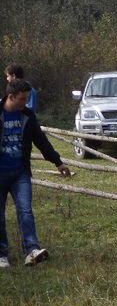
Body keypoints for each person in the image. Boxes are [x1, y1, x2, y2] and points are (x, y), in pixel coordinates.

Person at [0, 79, 71, 268]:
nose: (25, 103)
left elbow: (41, 141)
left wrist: (58, 162)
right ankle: (1, 255)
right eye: (22, 99)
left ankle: (31, 251)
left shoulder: (27, 116)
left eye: (27, 99)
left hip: (20, 172)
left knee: (25, 210)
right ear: (11, 97)